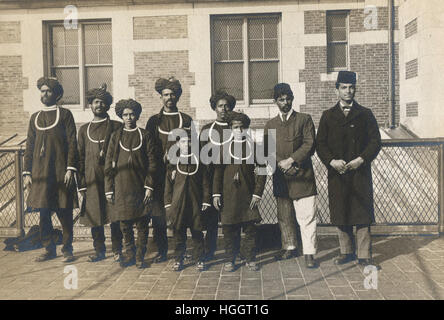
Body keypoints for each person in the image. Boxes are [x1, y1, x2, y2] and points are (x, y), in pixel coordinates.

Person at [316, 71, 381, 267]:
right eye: (343, 87)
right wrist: (331, 161)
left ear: (355, 89)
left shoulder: (365, 114)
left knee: (361, 213)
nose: (348, 91)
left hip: (360, 173)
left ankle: (364, 255)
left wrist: (362, 159)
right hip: (338, 174)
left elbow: (375, 141)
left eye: (351, 87)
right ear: (337, 90)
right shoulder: (328, 116)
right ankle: (346, 252)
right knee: (341, 211)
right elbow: (321, 144)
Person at [23, 77, 79, 263]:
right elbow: (30, 147)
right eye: (42, 91)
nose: (44, 94)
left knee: (64, 211)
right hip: (41, 174)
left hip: (61, 171)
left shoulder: (64, 115)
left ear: (56, 94)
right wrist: (27, 173)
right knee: (44, 213)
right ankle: (49, 248)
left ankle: (67, 248)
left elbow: (72, 142)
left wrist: (71, 168)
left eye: (48, 91)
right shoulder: (35, 118)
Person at [264, 83, 318, 268]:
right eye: (281, 99)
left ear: (292, 99)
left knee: (307, 216)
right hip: (281, 177)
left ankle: (309, 252)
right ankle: (289, 246)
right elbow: (268, 150)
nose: (285, 102)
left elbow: (309, 144)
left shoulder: (304, 119)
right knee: (284, 215)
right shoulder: (270, 124)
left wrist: (292, 160)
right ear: (275, 101)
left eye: (288, 99)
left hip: (302, 175)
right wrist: (282, 163)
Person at [145, 77, 193, 263]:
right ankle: (162, 250)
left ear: (178, 96)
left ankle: (181, 249)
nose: (169, 97)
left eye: (173, 94)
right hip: (158, 174)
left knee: (181, 210)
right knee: (158, 214)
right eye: (166, 94)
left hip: (180, 172)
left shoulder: (186, 119)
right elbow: (149, 147)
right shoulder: (153, 121)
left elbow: (192, 146)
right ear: (161, 97)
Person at [105, 99, 157, 268]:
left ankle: (140, 256)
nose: (128, 118)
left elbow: (152, 163)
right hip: (121, 187)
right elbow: (108, 165)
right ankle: (130, 254)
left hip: (141, 186)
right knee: (125, 224)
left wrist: (149, 187)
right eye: (125, 115)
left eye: (131, 114)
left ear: (137, 115)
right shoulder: (115, 136)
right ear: (121, 116)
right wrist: (109, 189)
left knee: (142, 223)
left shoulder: (145, 135)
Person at [213, 111, 266, 272]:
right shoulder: (223, 148)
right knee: (229, 229)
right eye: (235, 127)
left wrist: (257, 193)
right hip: (228, 195)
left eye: (242, 127)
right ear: (230, 129)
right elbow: (217, 173)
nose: (239, 130)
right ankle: (231, 259)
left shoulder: (253, 147)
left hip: (247, 195)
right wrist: (216, 194)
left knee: (250, 229)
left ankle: (250, 258)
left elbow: (262, 169)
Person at [77, 84, 123, 263]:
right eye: (96, 102)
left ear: (108, 105)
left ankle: (118, 249)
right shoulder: (84, 130)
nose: (99, 106)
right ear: (90, 104)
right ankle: (99, 250)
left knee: (115, 215)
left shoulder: (117, 127)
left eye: (103, 103)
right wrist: (81, 183)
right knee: (95, 215)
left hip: (113, 178)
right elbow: (79, 159)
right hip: (91, 179)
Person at [164, 134, 211, 271]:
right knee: (178, 232)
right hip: (178, 204)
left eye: (190, 142)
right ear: (178, 144)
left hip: (195, 202)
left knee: (197, 232)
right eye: (184, 142)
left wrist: (206, 200)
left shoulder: (199, 162)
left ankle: (199, 259)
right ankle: (178, 259)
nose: (187, 144)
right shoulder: (173, 163)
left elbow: (205, 183)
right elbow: (168, 185)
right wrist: (168, 203)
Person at [199, 91, 236, 261]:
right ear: (214, 107)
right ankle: (209, 250)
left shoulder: (235, 127)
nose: (223, 109)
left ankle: (234, 251)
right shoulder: (207, 130)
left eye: (226, 106)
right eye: (220, 106)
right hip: (210, 176)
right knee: (211, 218)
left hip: (231, 177)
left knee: (231, 216)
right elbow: (201, 158)